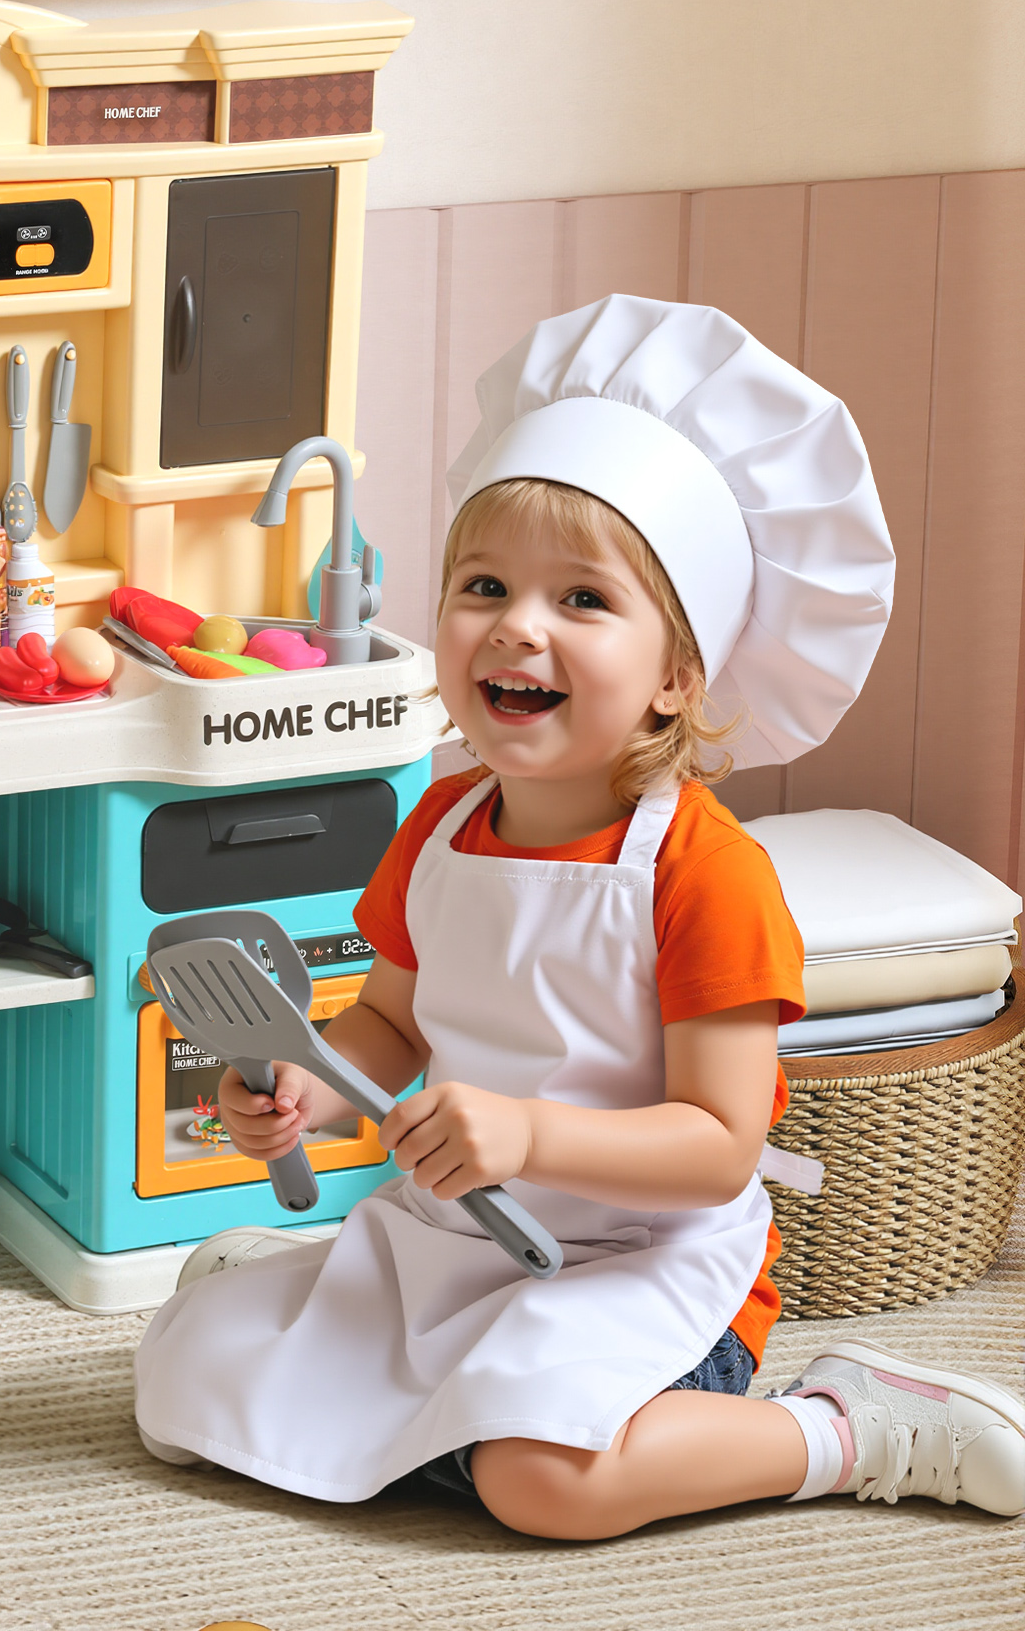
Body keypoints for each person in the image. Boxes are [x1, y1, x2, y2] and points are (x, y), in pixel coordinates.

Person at [133, 295, 1025, 1537]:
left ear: (676, 669)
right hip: (461, 1228)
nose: (518, 623)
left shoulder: (703, 870)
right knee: (185, 1386)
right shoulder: (441, 823)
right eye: (484, 583)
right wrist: (312, 1087)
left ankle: (849, 1427)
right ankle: (333, 1322)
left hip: (646, 1265)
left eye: (582, 601)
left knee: (537, 1483)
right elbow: (387, 1022)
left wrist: (524, 1133)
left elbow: (717, 1144)